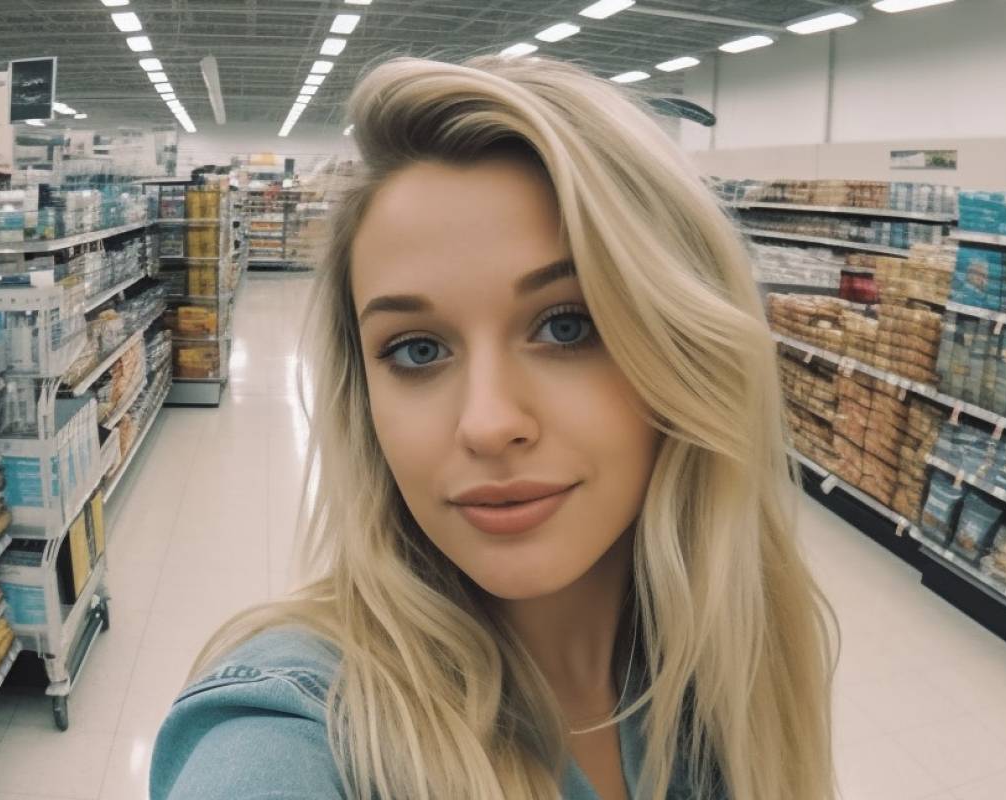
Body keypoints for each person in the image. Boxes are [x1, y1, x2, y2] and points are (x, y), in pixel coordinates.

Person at [150, 55, 836, 800]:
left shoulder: (731, 665)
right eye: (417, 350)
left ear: (686, 346)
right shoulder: (298, 733)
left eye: (568, 326)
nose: (488, 424)